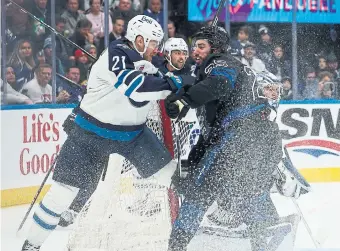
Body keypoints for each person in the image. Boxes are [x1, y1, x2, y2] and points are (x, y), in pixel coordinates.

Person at [21, 15, 194, 251]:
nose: (157, 48)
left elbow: (172, 72)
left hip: (133, 136)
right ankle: (31, 245)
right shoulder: (117, 53)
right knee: (62, 193)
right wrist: (172, 83)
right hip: (90, 134)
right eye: (154, 42)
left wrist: (186, 82)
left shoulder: (148, 57)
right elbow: (134, 86)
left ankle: (203, 222)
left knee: (174, 177)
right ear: (140, 40)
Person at [163, 26, 285, 251]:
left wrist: (184, 100)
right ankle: (264, 237)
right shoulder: (233, 65)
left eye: (201, 46)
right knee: (244, 190)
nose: (195, 52)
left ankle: (176, 246)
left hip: (237, 139)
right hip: (256, 140)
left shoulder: (219, 61)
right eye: (194, 48)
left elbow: (219, 84)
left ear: (215, 48)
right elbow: (212, 111)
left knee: (198, 191)